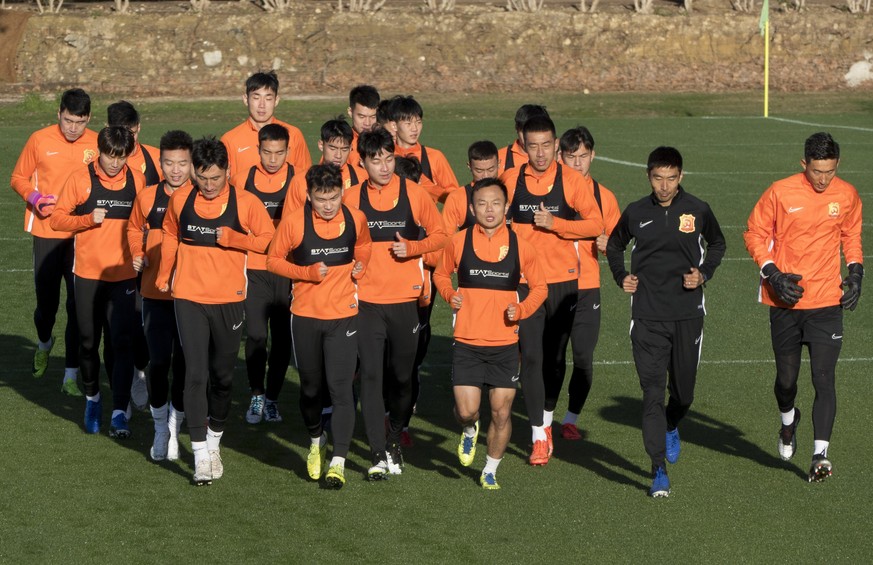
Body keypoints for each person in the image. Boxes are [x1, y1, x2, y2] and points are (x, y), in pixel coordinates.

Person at [606, 146, 726, 498]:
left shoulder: (698, 210)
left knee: (684, 393)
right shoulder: (636, 212)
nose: (664, 186)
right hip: (647, 318)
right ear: (648, 177)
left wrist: (703, 274)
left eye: (671, 178)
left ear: (680, 178)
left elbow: (718, 244)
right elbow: (614, 246)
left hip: (688, 315)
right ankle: (657, 468)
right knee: (652, 393)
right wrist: (620, 276)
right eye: (658, 178)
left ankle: (674, 423)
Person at [743, 132, 863, 483]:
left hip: (827, 301)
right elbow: (753, 232)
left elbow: (851, 236)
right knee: (786, 381)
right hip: (786, 301)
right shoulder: (780, 192)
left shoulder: (847, 195)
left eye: (829, 171)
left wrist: (855, 272)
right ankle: (787, 421)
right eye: (816, 172)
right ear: (804, 165)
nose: (823, 179)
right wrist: (772, 273)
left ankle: (820, 454)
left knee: (824, 378)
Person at [156, 137, 275, 485]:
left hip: (230, 300)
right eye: (203, 178)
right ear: (194, 172)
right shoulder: (181, 199)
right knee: (195, 374)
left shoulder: (246, 203)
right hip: (189, 298)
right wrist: (164, 273)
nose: (208, 186)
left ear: (228, 172)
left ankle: (214, 442)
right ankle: (200, 455)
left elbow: (267, 239)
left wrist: (235, 239)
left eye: (216, 179)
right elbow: (169, 234)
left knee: (222, 378)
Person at [342, 128, 447, 479]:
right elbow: (340, 239)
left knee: (402, 379)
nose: (384, 166)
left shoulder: (415, 194)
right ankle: (375, 453)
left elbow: (442, 235)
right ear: (363, 163)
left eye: (389, 158)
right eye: (376, 160)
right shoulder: (351, 197)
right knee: (370, 377)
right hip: (367, 302)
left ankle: (393, 439)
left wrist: (413, 249)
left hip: (406, 303)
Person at [499, 115, 604, 466]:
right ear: (523, 146)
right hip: (527, 283)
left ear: (556, 145)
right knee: (530, 356)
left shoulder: (572, 181)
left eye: (547, 145)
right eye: (533, 146)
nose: (540, 153)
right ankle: (538, 435)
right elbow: (494, 219)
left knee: (555, 359)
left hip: (564, 281)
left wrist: (556, 224)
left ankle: (546, 417)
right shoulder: (511, 179)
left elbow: (595, 224)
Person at [433, 178, 547, 489]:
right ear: (471, 208)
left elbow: (540, 288)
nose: (489, 209)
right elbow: (440, 274)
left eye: (496, 203)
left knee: (501, 412)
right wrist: (448, 293)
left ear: (506, 207)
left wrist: (520, 310)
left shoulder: (522, 247)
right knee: (467, 411)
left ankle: (490, 470)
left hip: (505, 346)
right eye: (482, 203)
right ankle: (469, 431)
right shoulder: (458, 242)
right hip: (468, 344)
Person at [266, 164, 372, 488]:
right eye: (321, 199)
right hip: (306, 317)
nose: (328, 205)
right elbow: (273, 260)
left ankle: (337, 461)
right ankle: (315, 441)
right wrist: (307, 273)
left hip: (344, 315)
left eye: (334, 197)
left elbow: (364, 247)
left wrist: (361, 266)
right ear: (309, 196)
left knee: (341, 389)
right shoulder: (295, 222)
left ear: (341, 192)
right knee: (311, 389)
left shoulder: (355, 218)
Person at [50, 126, 146, 439]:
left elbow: (144, 224)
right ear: (99, 151)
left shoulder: (137, 180)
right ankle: (93, 400)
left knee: (121, 343)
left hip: (124, 277)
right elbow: (57, 219)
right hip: (88, 275)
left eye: (121, 156)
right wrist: (87, 219)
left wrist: (141, 252)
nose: (115, 163)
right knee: (88, 342)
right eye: (109, 155)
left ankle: (119, 411)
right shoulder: (81, 179)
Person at [10, 88, 98, 394]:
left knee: (78, 306)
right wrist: (34, 198)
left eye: (80, 122)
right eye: (68, 120)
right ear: (58, 114)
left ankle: (70, 376)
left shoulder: (96, 143)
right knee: (46, 306)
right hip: (46, 233)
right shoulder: (39, 139)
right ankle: (45, 341)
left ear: (89, 119)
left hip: (80, 236)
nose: (73, 128)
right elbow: (18, 177)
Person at [127, 130, 194, 460]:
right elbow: (132, 229)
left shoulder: (200, 199)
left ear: (191, 163)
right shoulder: (147, 197)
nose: (176, 170)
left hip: (191, 297)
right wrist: (137, 252)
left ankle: (174, 425)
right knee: (157, 363)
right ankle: (158, 427)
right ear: (161, 163)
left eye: (182, 163)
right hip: (154, 293)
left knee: (183, 366)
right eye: (169, 163)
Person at [554, 126, 622, 441]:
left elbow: (618, 243)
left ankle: (570, 420)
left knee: (583, 356)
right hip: (552, 285)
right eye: (572, 156)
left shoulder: (604, 197)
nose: (578, 163)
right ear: (560, 156)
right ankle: (543, 420)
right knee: (551, 357)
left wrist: (611, 244)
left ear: (593, 155)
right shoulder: (550, 193)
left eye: (583, 156)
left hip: (586, 287)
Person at [229, 123, 296, 425]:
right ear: (258, 150)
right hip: (254, 270)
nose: (272, 159)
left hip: (285, 271)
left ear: (287, 151)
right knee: (256, 335)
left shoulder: (298, 180)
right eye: (267, 152)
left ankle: (272, 399)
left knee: (282, 339)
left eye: (279, 153)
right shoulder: (243, 180)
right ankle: (256, 393)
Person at [107, 99, 159, 410]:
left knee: (140, 320)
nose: (127, 137)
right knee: (112, 329)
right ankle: (119, 393)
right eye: (119, 131)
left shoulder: (152, 159)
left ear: (138, 128)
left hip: (142, 255)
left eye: (131, 130)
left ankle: (139, 372)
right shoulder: (102, 162)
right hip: (110, 258)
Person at [221, 70, 312, 177]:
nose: (262, 105)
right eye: (256, 97)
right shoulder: (229, 140)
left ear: (276, 100)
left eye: (268, 98)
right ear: (246, 99)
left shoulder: (294, 135)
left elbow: (305, 177)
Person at [283, 118, 367, 213]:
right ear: (321, 145)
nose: (338, 155)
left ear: (351, 148)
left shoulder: (364, 178)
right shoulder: (300, 181)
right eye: (333, 148)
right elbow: (289, 222)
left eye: (344, 149)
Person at [391, 95, 459, 203]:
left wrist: (428, 188)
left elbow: (454, 196)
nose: (414, 129)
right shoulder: (385, 156)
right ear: (394, 126)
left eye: (418, 122)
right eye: (408, 123)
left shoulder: (434, 157)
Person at [442, 141, 501, 233]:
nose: (485, 176)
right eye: (479, 170)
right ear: (469, 166)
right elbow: (445, 238)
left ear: (499, 164)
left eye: (490, 169)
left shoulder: (511, 192)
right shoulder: (457, 198)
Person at [496, 104, 550, 175]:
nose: (529, 138)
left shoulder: (559, 160)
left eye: (534, 132)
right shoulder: (498, 159)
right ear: (517, 128)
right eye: (524, 131)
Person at [346, 84, 380, 168]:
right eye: (362, 117)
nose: (367, 123)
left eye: (372, 117)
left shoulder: (385, 142)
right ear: (350, 112)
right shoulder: (342, 144)